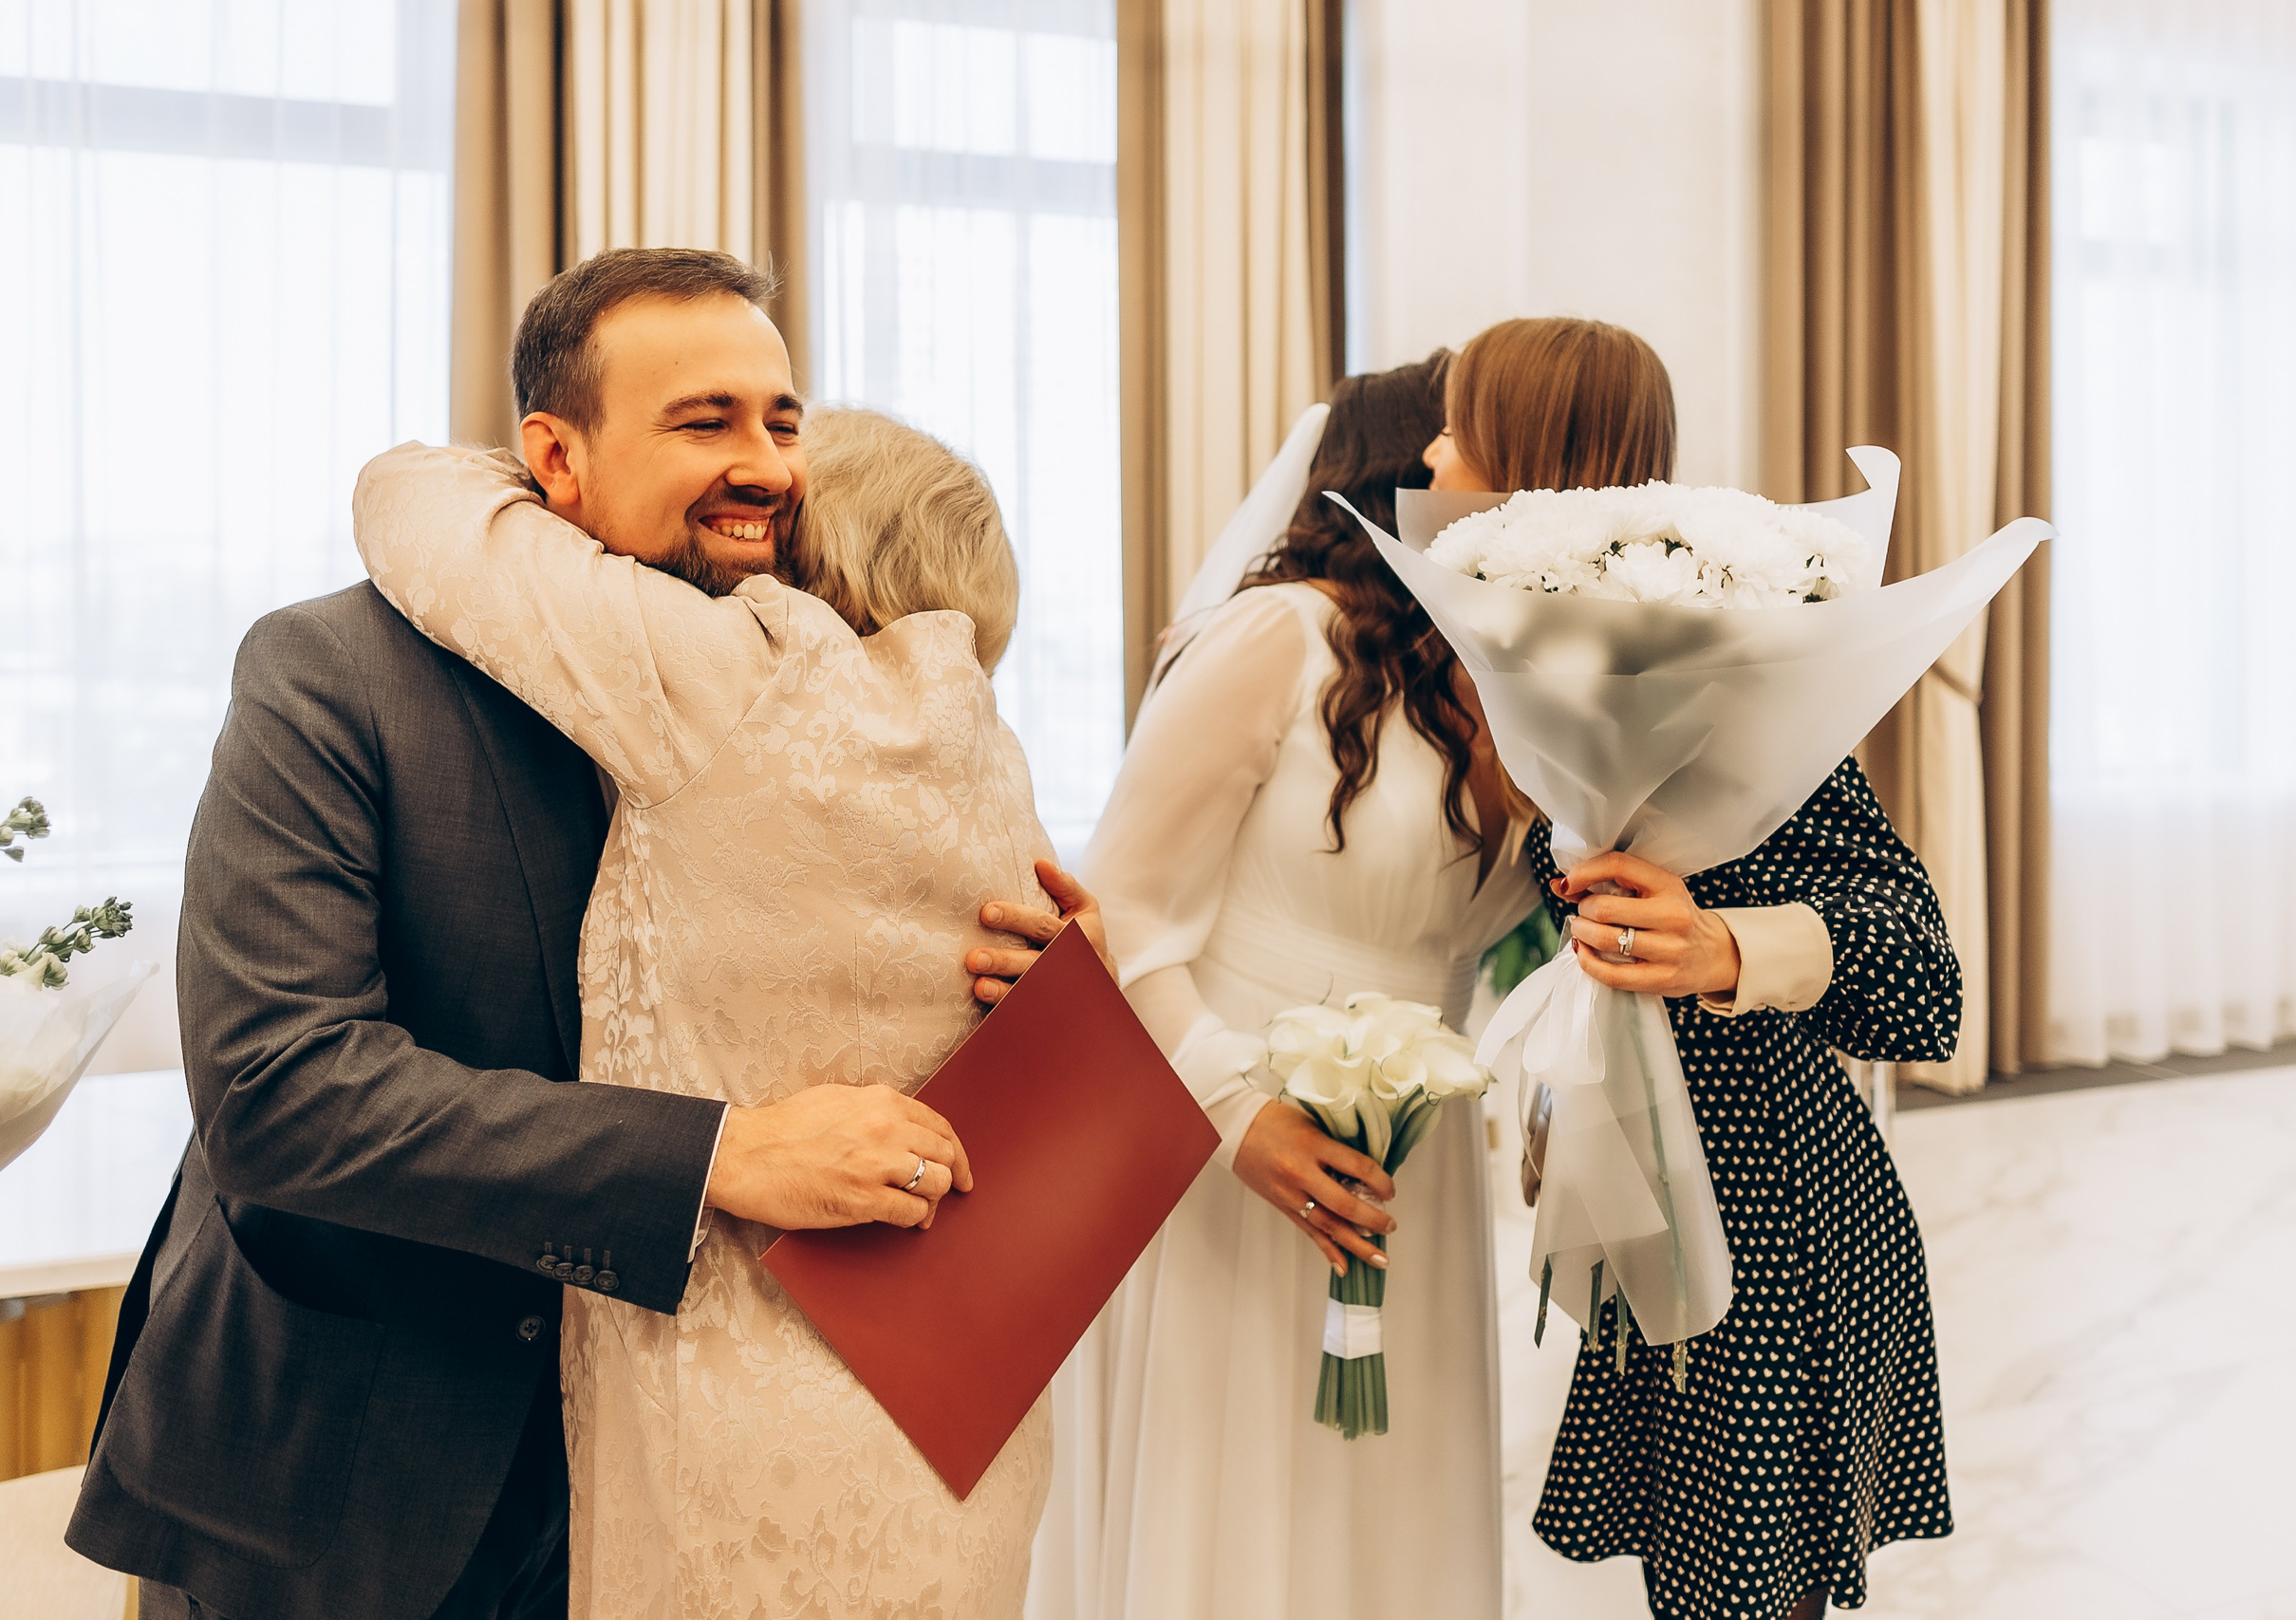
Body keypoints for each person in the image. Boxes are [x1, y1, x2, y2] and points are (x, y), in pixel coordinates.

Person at [67, 248, 1091, 1620]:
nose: (768, 465)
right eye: (702, 421)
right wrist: (723, 1155)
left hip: (667, 1483)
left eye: (782, 421)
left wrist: (1035, 1005)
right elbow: (280, 1091)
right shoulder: (332, 674)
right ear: (553, 455)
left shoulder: (808, 690)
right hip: (351, 1464)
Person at [1430, 316, 1959, 1620]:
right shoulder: (1526, 679)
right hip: (1651, 1205)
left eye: (1460, 425)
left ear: (1522, 466)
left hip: (1771, 1221)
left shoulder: (1736, 683)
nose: (1432, 452)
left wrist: (1729, 945)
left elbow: (1927, 975)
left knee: (1740, 1596)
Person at [1025, 354, 1538, 1620]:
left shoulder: (1502, 688)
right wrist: (1234, 1111)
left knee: (1386, 1506)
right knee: (1235, 1501)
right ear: (1407, 473)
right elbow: (1118, 914)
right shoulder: (1278, 637)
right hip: (1227, 1137)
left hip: (1415, 1154)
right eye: (1468, 444)